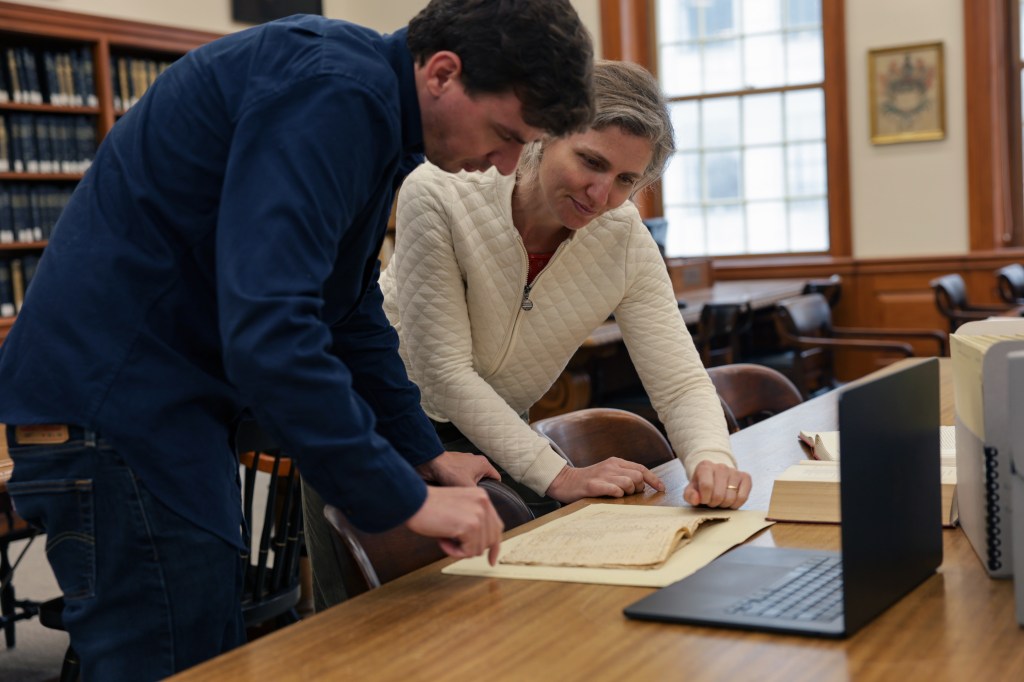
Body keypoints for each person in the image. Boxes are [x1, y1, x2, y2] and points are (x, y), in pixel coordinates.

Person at [0, 1, 593, 678]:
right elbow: (272, 328)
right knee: (174, 660)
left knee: (205, 651)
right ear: (442, 73)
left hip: (154, 413)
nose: (504, 163)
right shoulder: (334, 92)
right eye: (505, 133)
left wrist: (423, 453)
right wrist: (404, 500)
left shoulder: (376, 115)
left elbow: (346, 309)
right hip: (118, 410)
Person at [381, 60, 752, 515]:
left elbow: (679, 383)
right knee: (383, 588)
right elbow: (445, 373)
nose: (601, 195)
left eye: (625, 180)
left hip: (498, 427)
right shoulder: (439, 191)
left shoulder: (625, 238)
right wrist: (561, 475)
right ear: (543, 132)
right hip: (383, 423)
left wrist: (712, 460)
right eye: (591, 162)